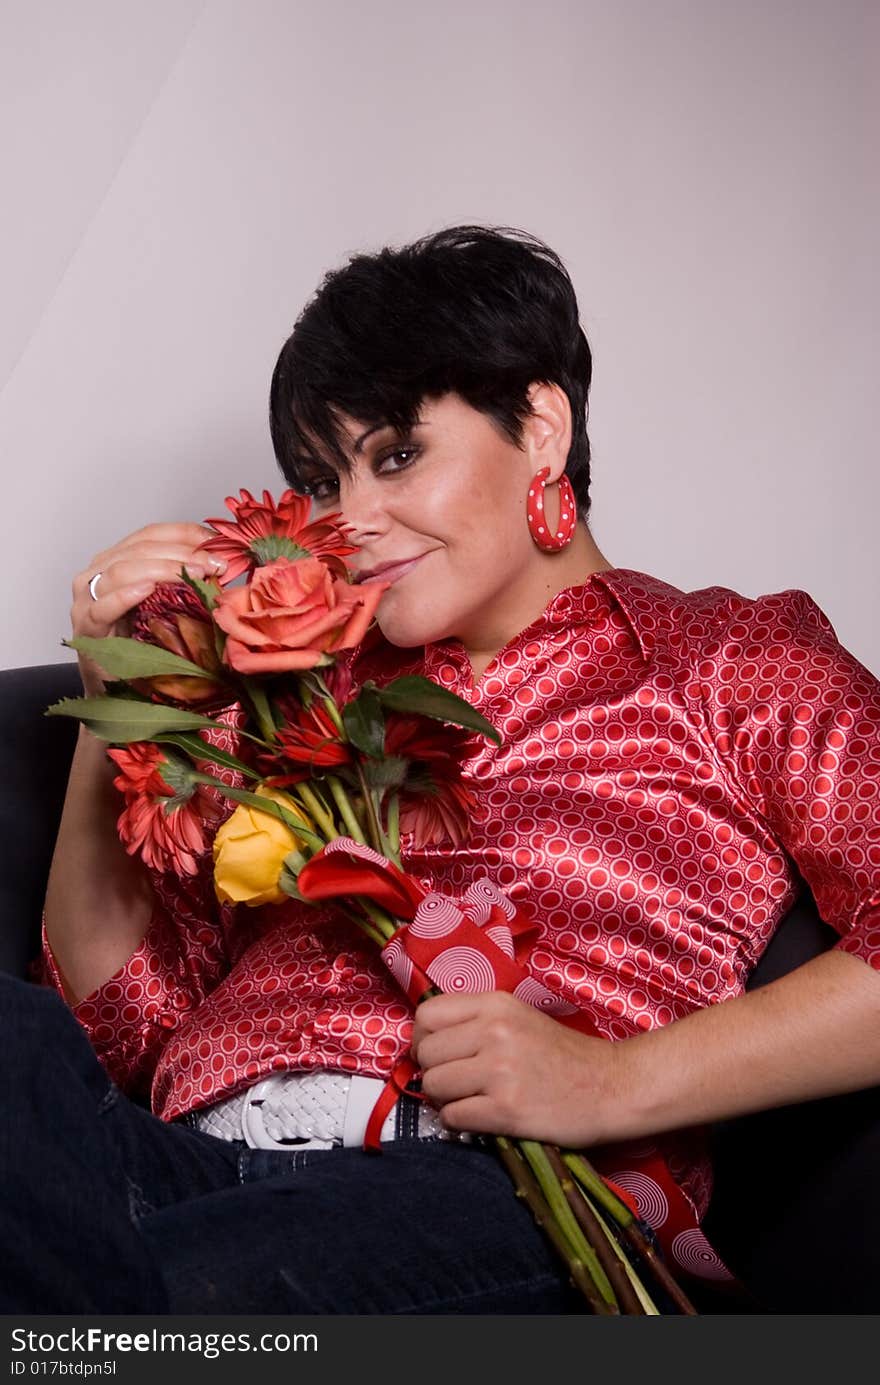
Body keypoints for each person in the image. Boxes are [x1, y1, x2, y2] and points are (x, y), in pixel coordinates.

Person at [4, 225, 879, 1315]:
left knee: (140, 1304)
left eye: (397, 454)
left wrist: (612, 1080)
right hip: (175, 1170)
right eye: (323, 480)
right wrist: (116, 696)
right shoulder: (299, 686)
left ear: (541, 425)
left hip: (479, 1185)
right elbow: (120, 1023)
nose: (351, 521)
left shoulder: (729, 659)